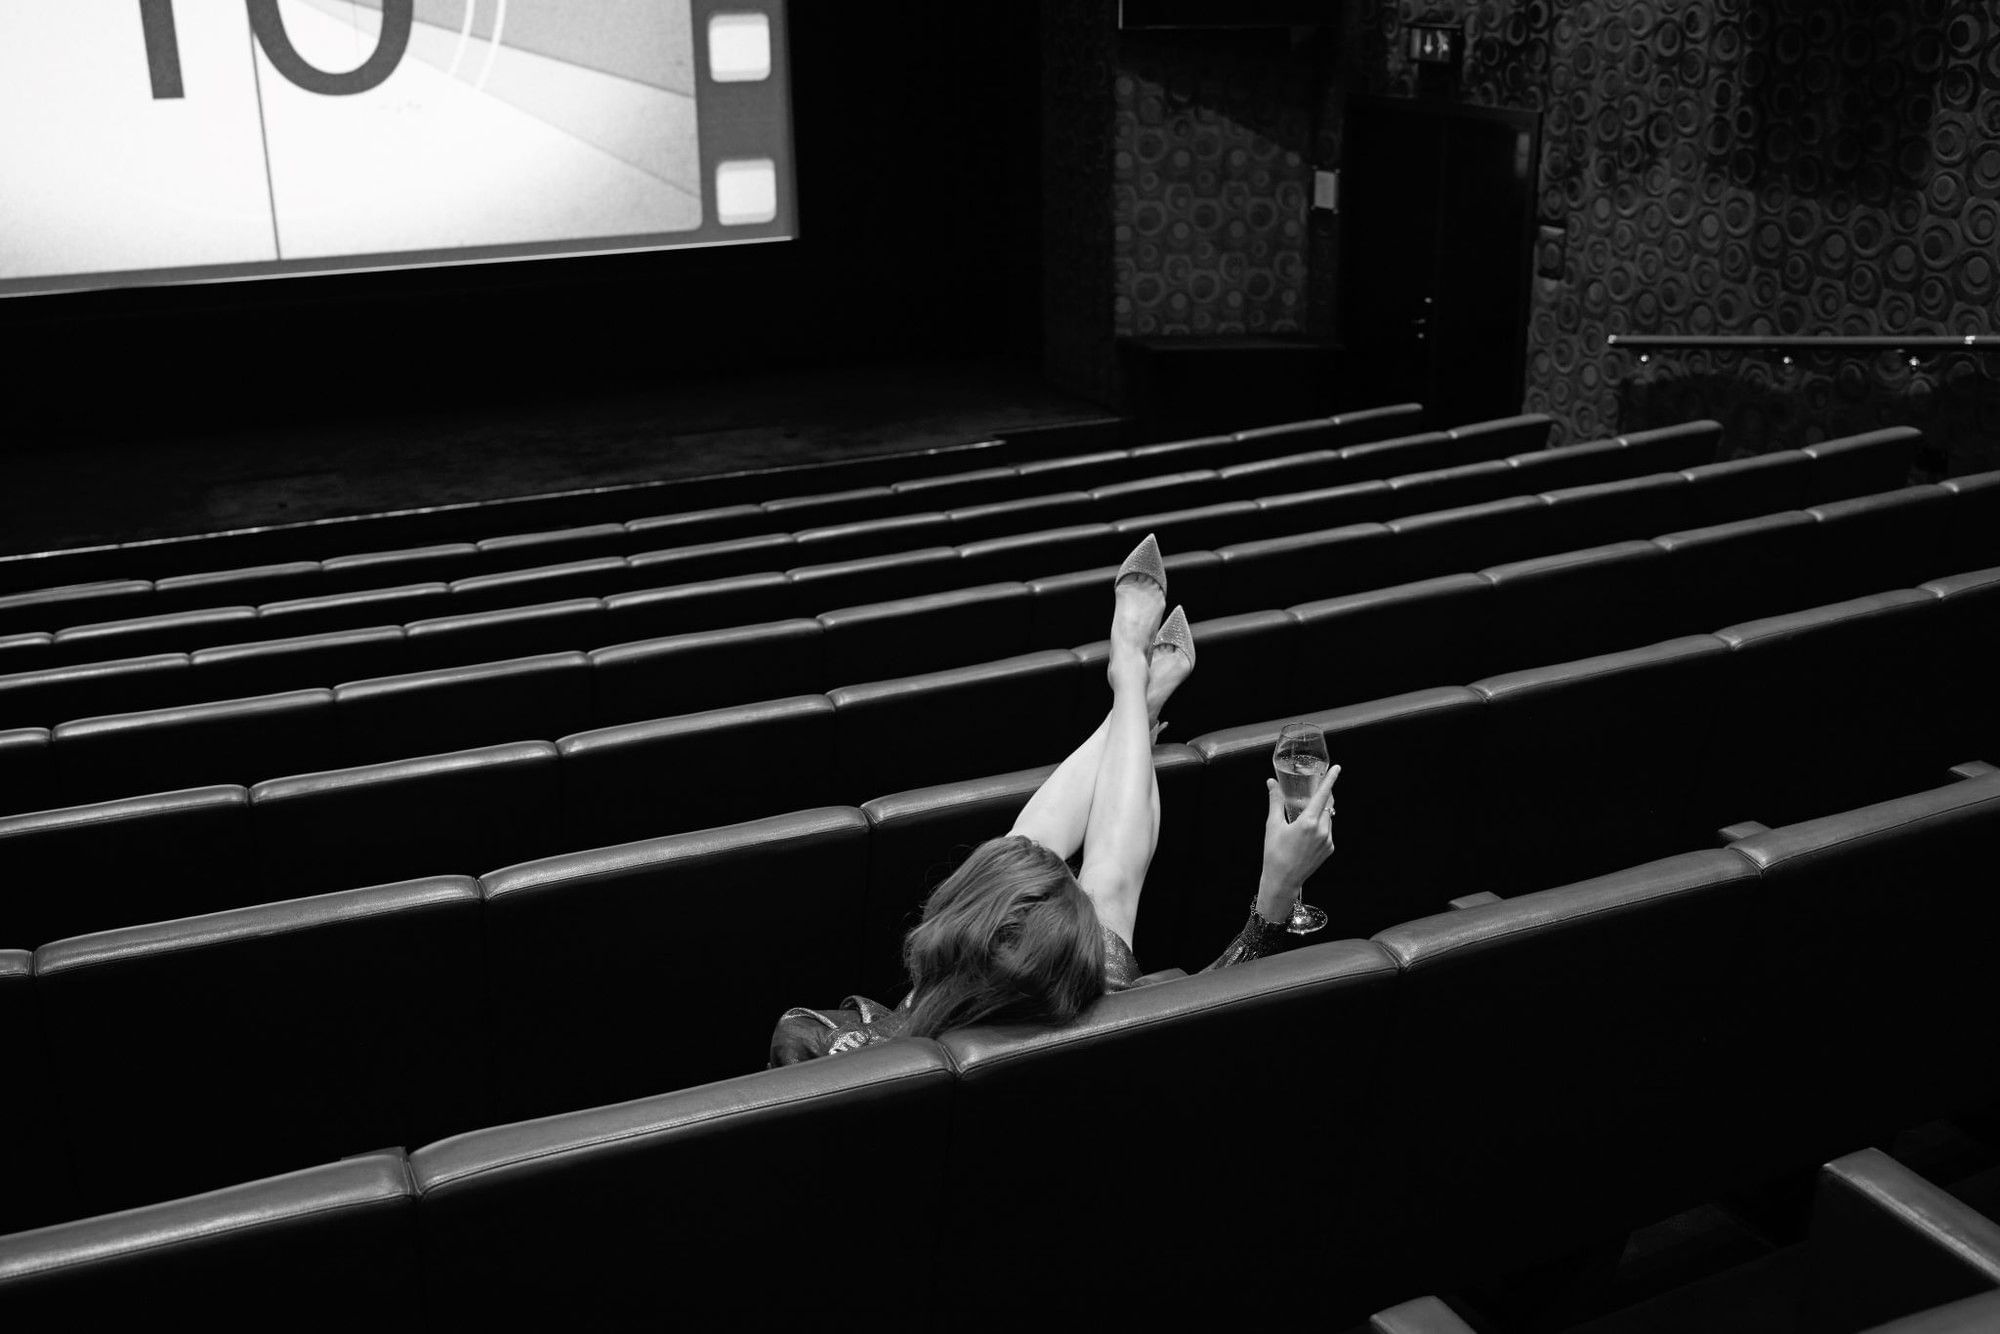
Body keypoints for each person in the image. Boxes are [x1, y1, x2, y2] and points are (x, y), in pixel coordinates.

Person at [770, 534, 1340, 1064]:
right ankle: (1130, 687)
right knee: (1101, 886)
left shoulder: (816, 1045)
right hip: (1039, 1006)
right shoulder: (1116, 1025)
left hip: (940, 1016)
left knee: (1022, 868)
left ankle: (1131, 700)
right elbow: (1223, 1000)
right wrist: (1279, 892)